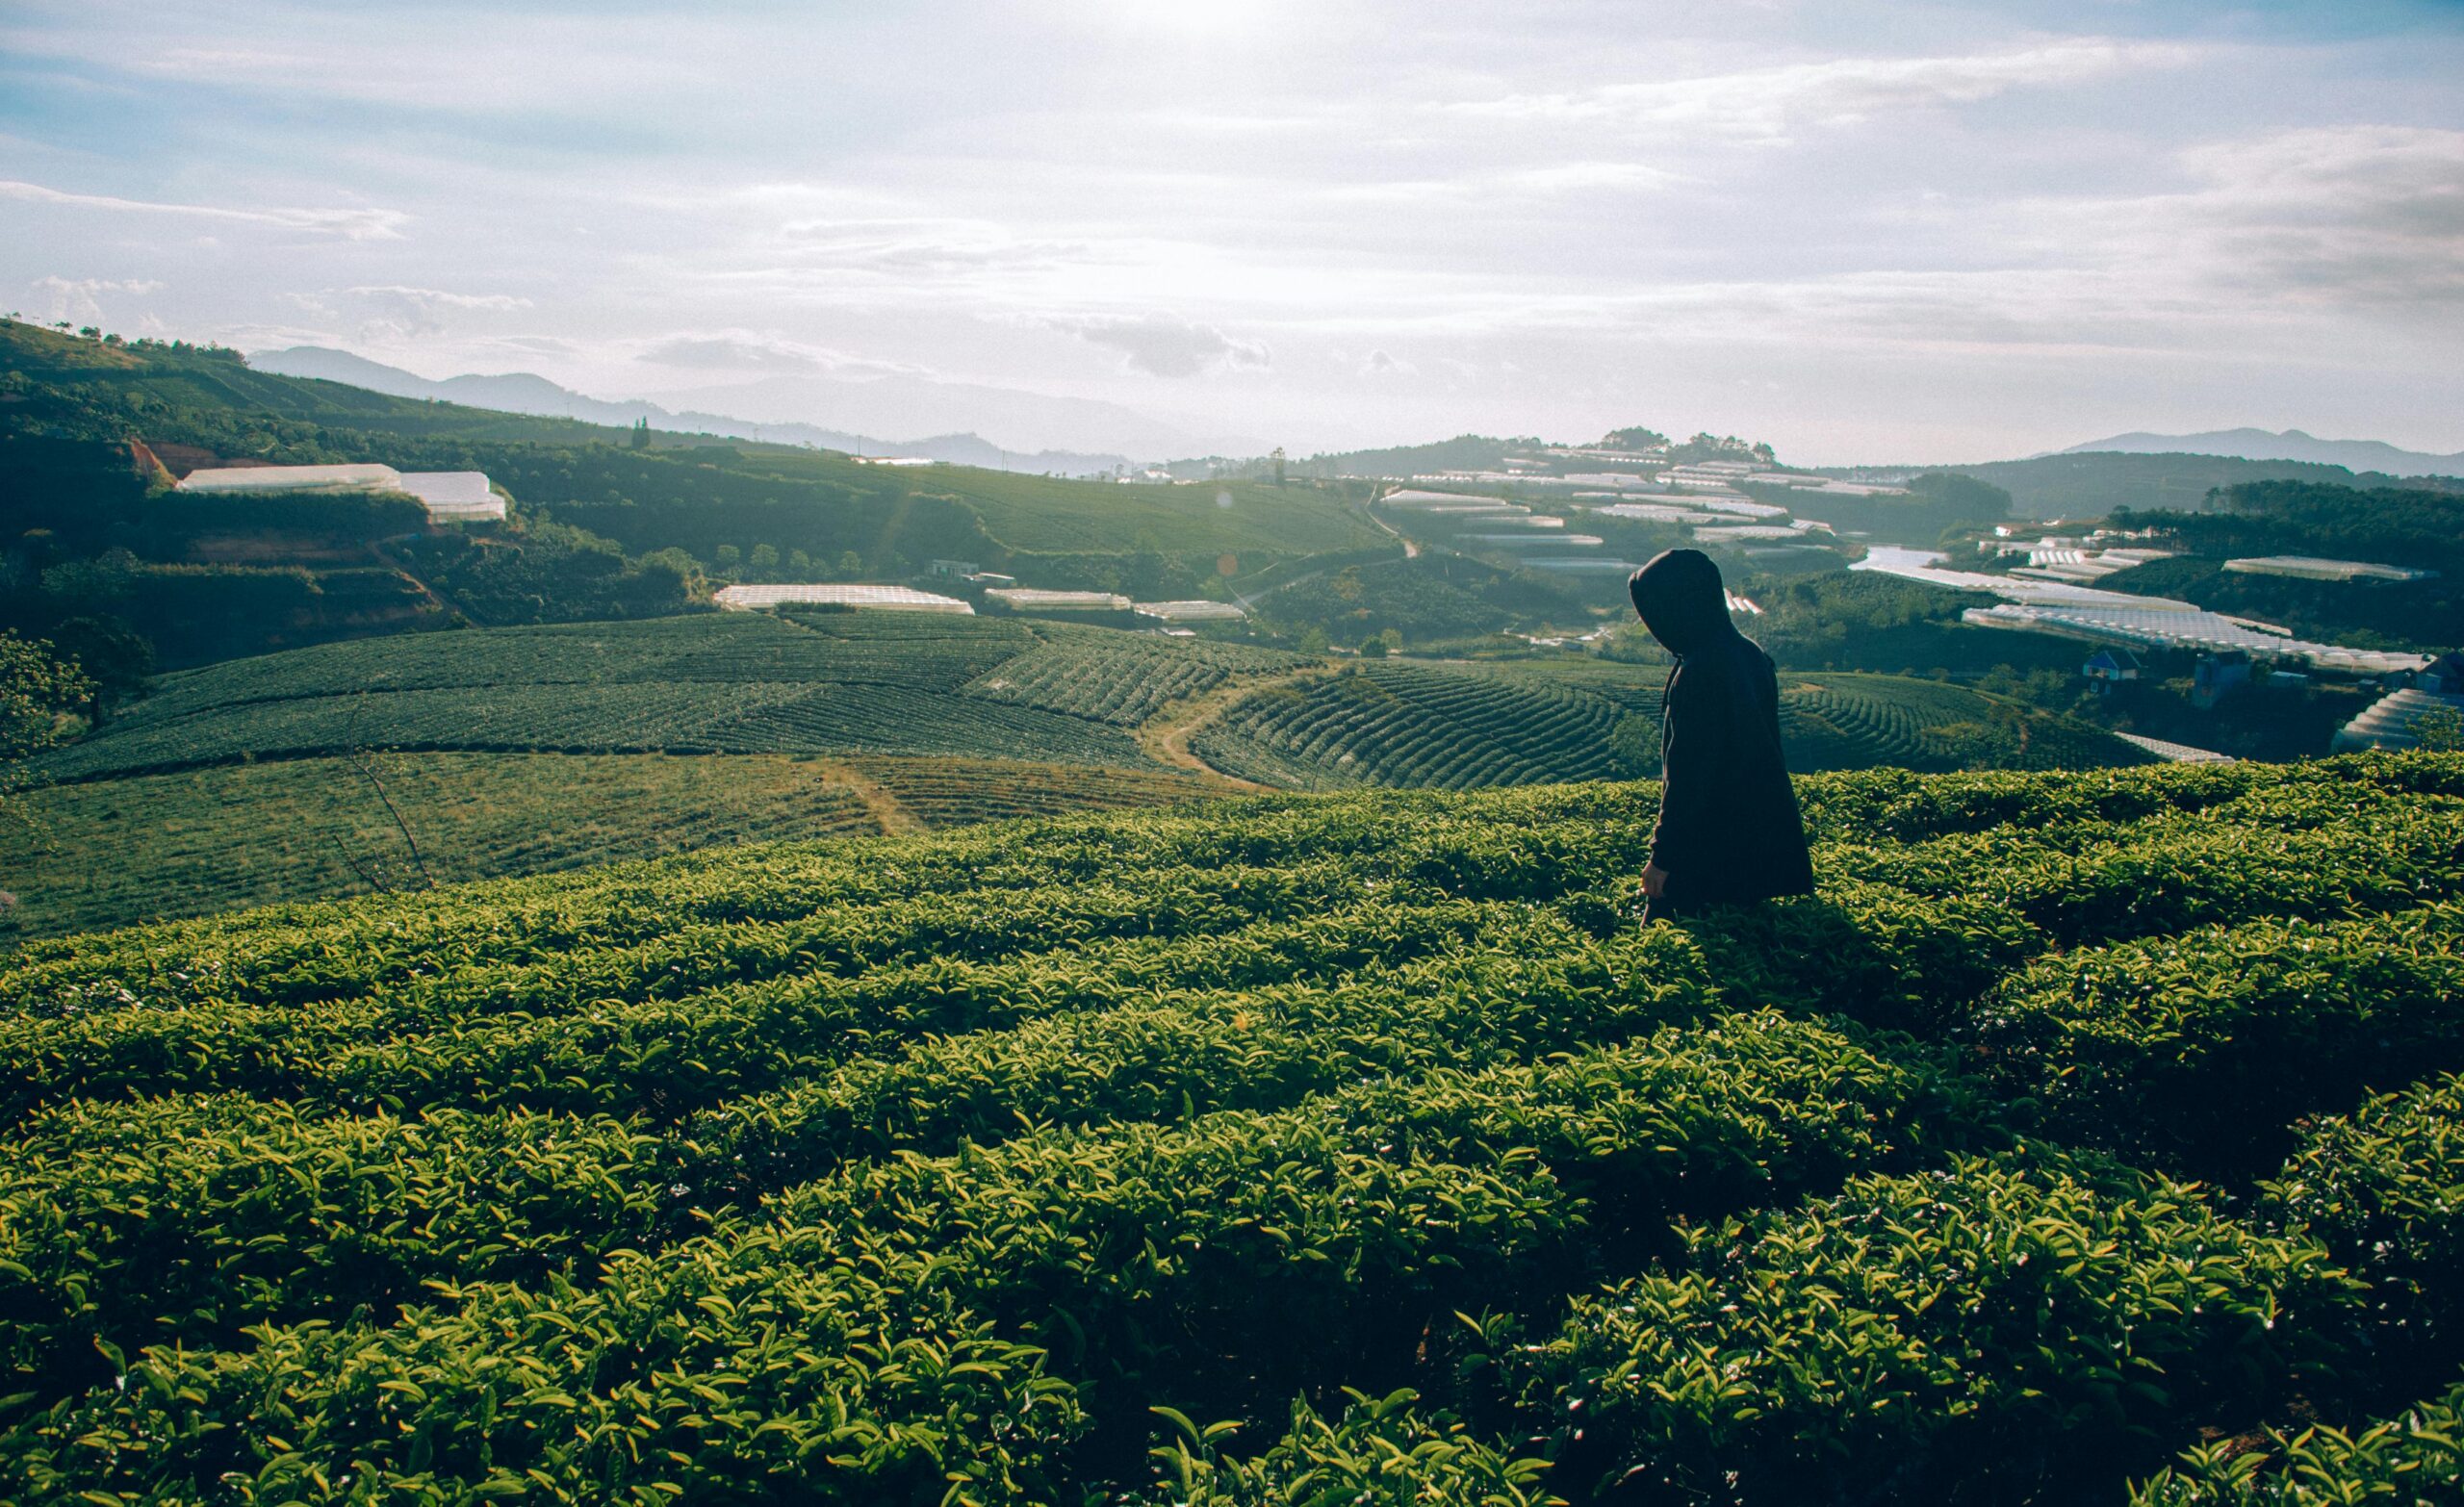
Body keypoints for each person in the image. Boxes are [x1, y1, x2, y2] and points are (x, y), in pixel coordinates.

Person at [1627, 549, 1813, 922]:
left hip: (1705, 856)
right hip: (1752, 850)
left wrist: (1662, 859)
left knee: (1668, 956)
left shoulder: (1700, 671)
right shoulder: (1748, 655)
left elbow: (1689, 777)